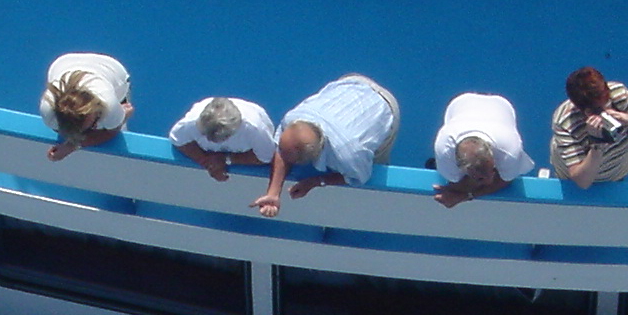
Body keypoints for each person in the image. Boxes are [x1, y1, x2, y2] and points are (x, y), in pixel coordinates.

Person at [258, 76, 402, 214]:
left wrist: (316, 181)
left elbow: (358, 177)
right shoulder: (292, 119)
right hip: (352, 82)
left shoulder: (350, 157)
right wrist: (273, 193)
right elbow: (280, 151)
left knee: (375, 163)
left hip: (385, 104)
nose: (281, 155)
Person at [550, 68, 628, 189]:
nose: (603, 113)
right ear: (581, 109)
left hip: (617, 173)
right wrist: (596, 145)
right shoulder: (564, 122)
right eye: (596, 110)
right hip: (573, 177)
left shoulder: (618, 94)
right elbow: (582, 182)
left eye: (605, 103)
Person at [431, 94, 534, 206]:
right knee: (455, 180)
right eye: (480, 178)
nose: (489, 180)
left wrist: (466, 195)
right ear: (461, 167)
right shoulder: (444, 150)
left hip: (501, 107)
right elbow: (455, 185)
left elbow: (506, 181)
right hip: (460, 105)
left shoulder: (509, 151)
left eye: (492, 170)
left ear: (492, 154)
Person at [39, 52, 133, 160]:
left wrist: (70, 147)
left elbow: (112, 132)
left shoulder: (109, 104)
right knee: (111, 122)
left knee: (116, 128)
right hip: (65, 63)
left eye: (93, 125)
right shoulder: (48, 110)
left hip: (114, 70)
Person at [170, 97, 277, 181]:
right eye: (205, 134)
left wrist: (226, 159)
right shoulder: (190, 123)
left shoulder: (255, 129)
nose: (212, 141)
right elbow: (178, 140)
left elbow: (266, 157)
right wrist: (205, 161)